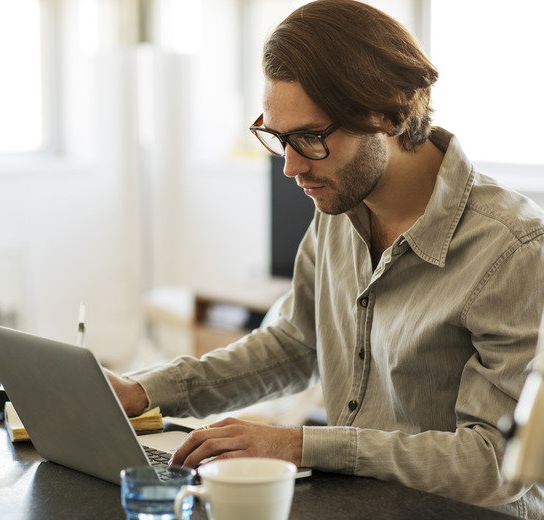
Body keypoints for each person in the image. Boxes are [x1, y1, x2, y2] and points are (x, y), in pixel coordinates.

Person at [107, 0, 544, 517]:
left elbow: (494, 466)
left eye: (311, 138)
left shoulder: (515, 250)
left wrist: (299, 445)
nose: (291, 167)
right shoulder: (338, 206)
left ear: (389, 110)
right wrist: (144, 390)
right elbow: (295, 344)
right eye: (279, 137)